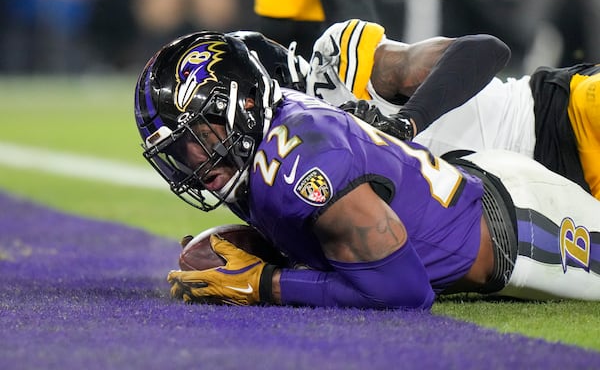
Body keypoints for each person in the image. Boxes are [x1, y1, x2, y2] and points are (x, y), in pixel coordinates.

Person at [134, 31, 600, 309]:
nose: (192, 163)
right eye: (178, 151)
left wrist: (262, 283)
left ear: (249, 99)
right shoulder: (262, 150)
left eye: (197, 139)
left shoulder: (319, 105)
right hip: (480, 181)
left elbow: (402, 293)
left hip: (549, 142)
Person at [306, 19, 600, 199]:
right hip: (556, 196)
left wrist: (405, 123)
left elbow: (487, 49)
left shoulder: (365, 76)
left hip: (559, 113)